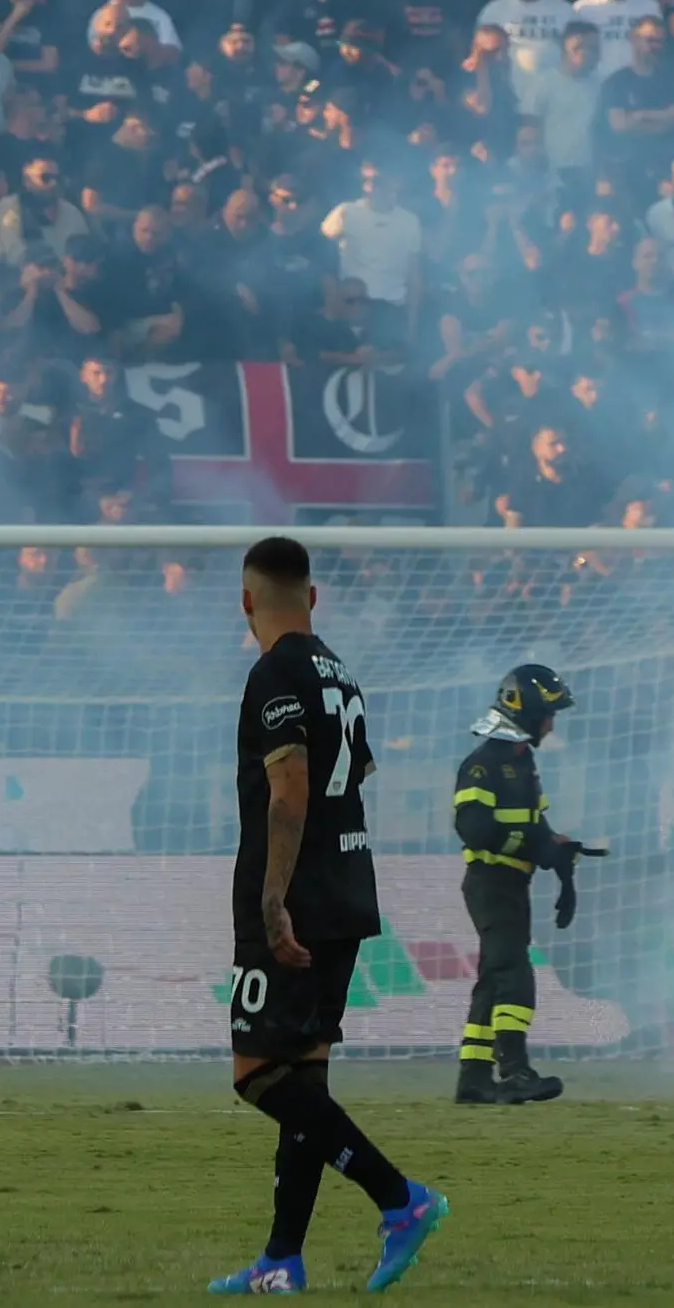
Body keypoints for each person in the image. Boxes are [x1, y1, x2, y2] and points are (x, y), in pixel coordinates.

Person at [210, 537, 447, 1296]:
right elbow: (360, 770)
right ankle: (281, 1258)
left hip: (300, 895)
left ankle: (399, 1197)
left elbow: (289, 789)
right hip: (349, 886)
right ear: (313, 597)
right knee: (304, 1072)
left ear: (247, 601)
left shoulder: (273, 672)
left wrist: (274, 897)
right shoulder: (339, 670)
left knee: (257, 1074)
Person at [452, 665, 606, 1105]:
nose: (552, 724)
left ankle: (475, 1079)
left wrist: (559, 855)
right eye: (548, 714)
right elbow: (474, 827)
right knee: (513, 974)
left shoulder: (524, 762)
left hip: (510, 884)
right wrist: (537, 847)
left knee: (492, 979)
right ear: (527, 711)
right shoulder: (483, 765)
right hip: (490, 883)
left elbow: (536, 826)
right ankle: (516, 1070)